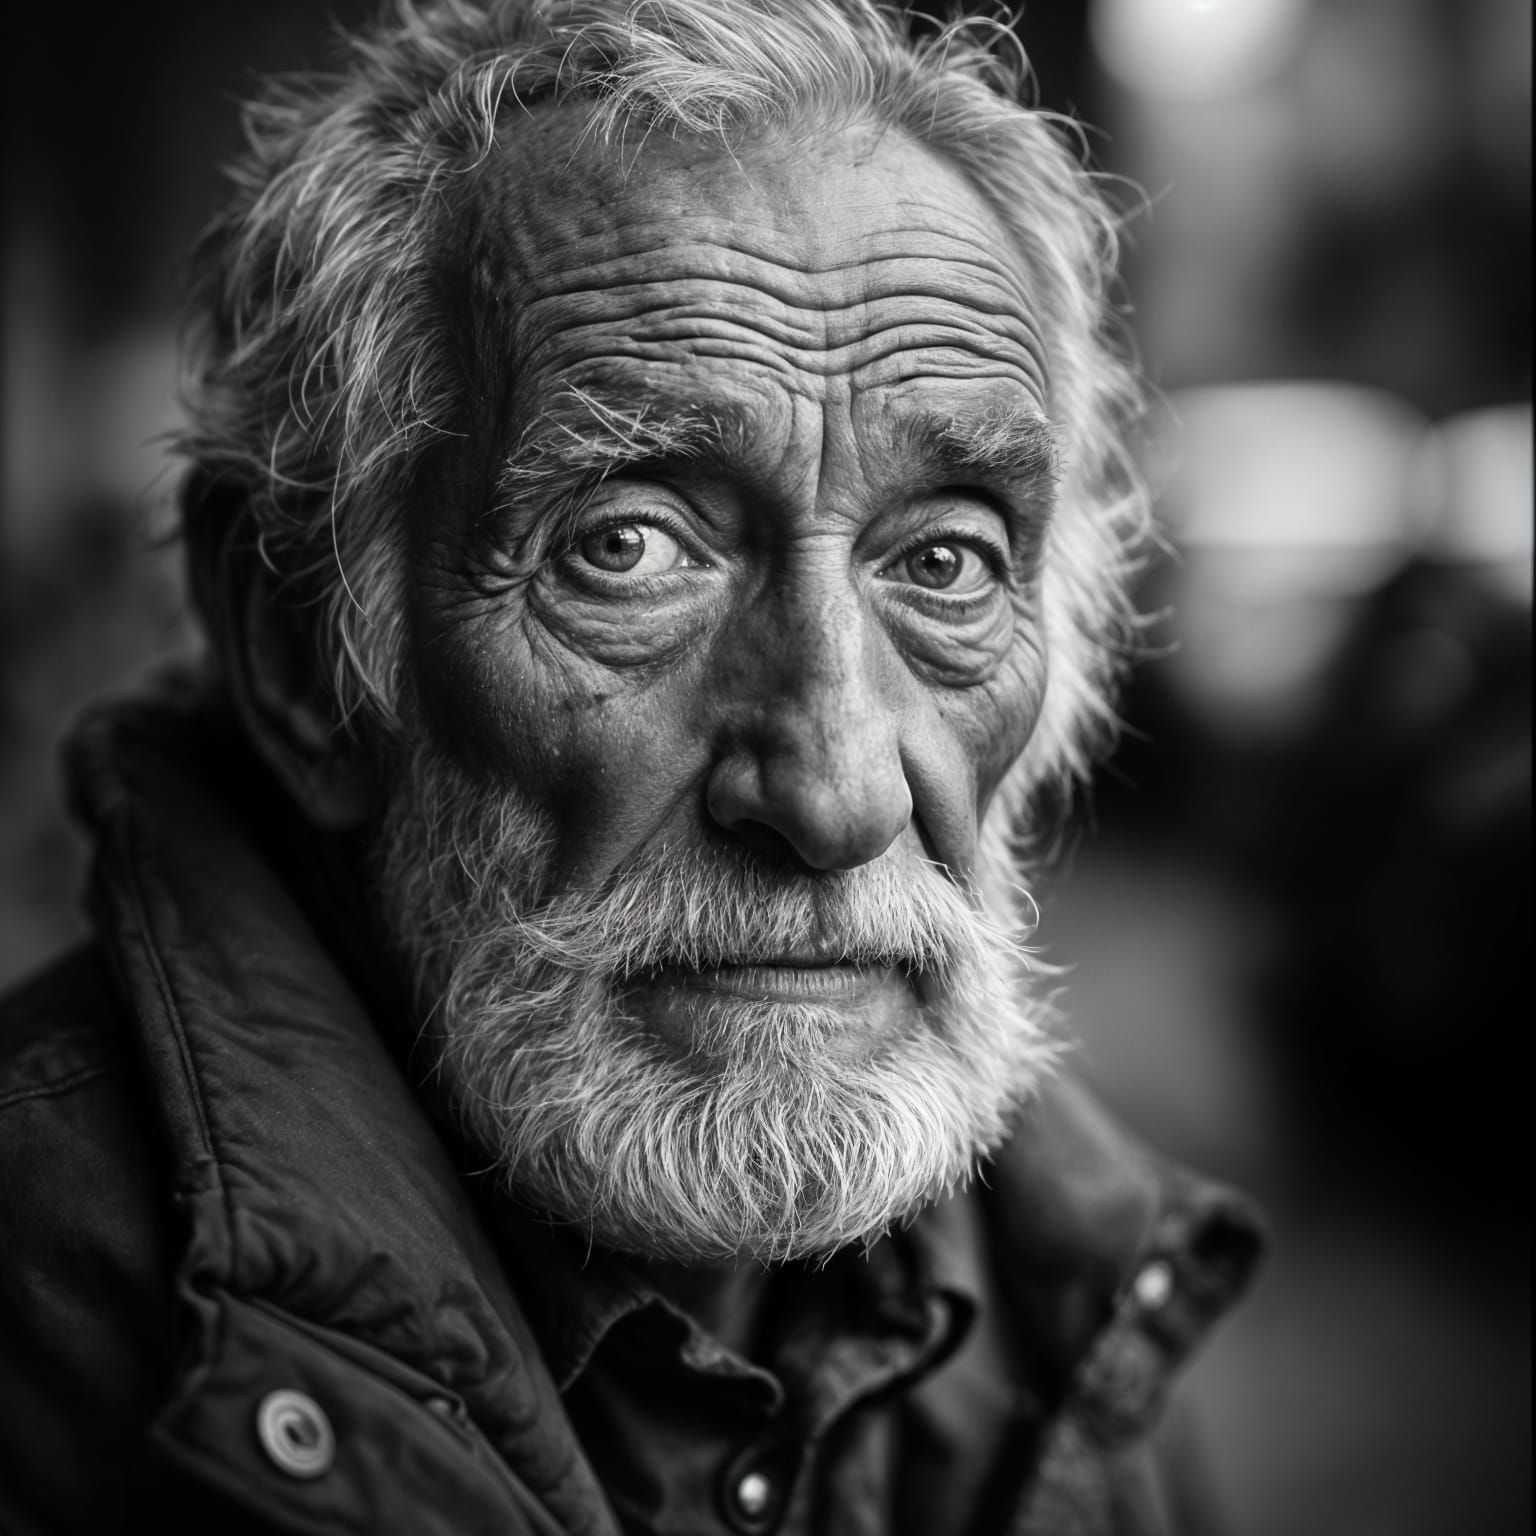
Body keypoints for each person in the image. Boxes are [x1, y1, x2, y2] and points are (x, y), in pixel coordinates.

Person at [0, 2, 1263, 1531]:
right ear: (298, 654)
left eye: (943, 560)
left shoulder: (1079, 1318)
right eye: (628, 547)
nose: (836, 793)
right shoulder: (46, 1334)